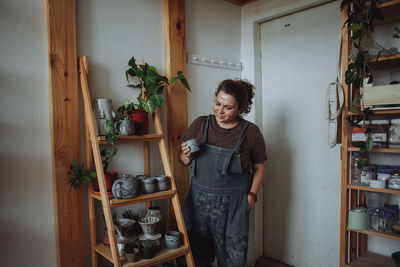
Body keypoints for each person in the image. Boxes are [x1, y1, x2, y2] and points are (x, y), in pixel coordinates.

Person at [179, 79, 267, 267]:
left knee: (232, 258)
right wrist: (186, 155)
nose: (219, 111)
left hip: (234, 206)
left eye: (227, 108)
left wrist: (251, 196)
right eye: (218, 103)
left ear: (241, 109)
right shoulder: (200, 124)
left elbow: (260, 167)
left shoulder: (251, 132)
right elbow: (183, 160)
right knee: (197, 255)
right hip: (198, 203)